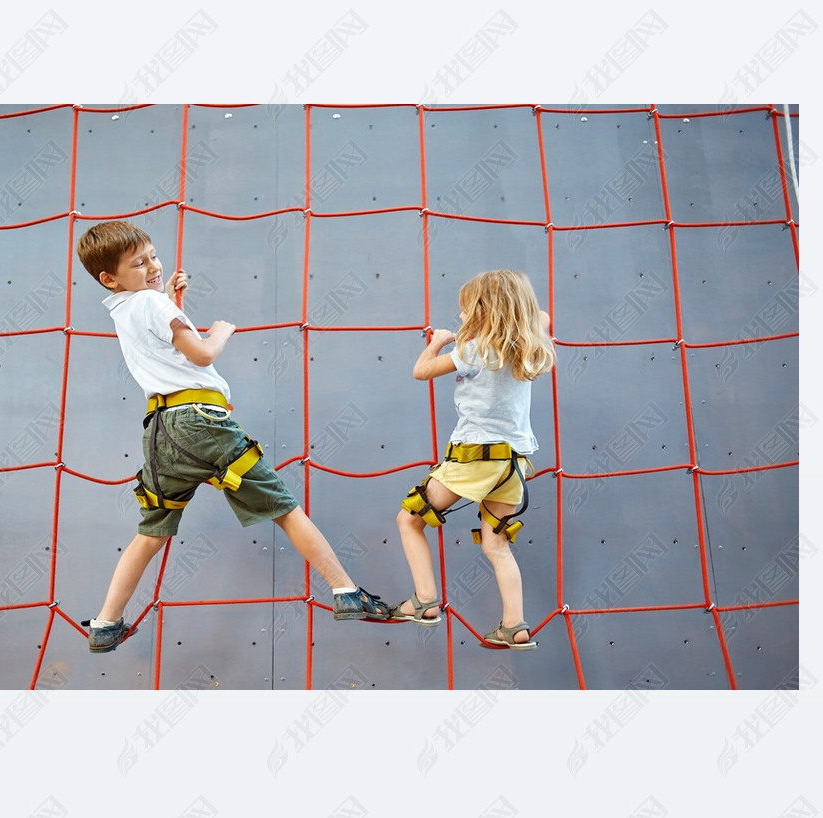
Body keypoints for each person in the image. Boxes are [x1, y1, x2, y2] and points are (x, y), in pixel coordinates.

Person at [75, 221, 391, 651]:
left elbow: (160, 344)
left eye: (152, 255)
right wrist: (219, 331)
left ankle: (106, 623)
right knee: (283, 506)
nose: (152, 266)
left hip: (162, 434)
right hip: (199, 423)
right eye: (139, 262)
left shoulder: (125, 307)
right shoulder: (151, 302)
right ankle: (345, 591)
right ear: (109, 278)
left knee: (151, 532)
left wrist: (169, 299)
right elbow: (201, 353)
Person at [392, 269, 554, 647]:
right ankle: (515, 626)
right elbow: (542, 317)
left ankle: (425, 600)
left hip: (473, 458)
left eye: (466, 310)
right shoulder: (528, 343)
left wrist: (438, 342)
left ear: (484, 312)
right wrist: (516, 312)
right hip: (512, 465)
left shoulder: (474, 349)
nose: (461, 317)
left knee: (410, 519)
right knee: (496, 543)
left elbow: (421, 371)